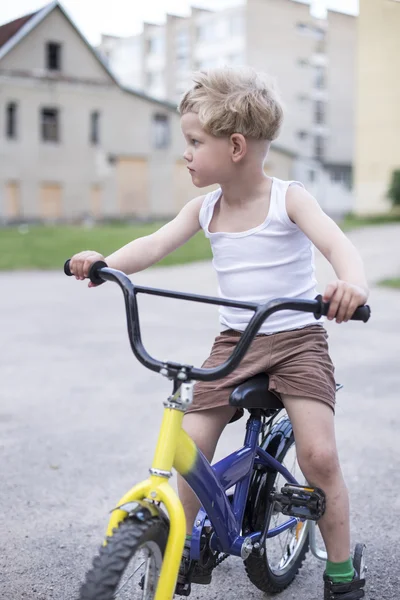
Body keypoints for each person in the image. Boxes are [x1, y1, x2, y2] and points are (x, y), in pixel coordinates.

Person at [69, 66, 368, 599]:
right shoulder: (204, 208)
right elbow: (154, 244)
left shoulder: (288, 199)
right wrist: (104, 262)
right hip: (236, 341)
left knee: (318, 456)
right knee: (189, 448)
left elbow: (338, 245)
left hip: (298, 339)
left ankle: (341, 571)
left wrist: (351, 285)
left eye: (193, 141)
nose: (184, 152)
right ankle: (176, 547)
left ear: (234, 146)